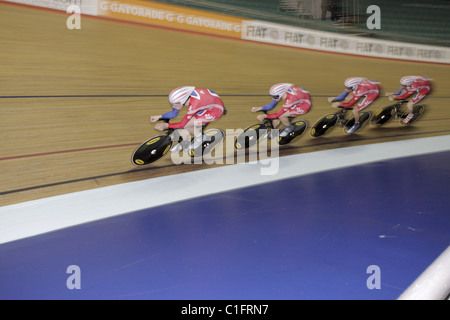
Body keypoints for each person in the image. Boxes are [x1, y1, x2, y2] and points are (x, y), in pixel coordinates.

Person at [150, 86, 225, 152]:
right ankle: (186, 142)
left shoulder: (194, 105)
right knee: (187, 124)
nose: (173, 106)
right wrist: (159, 116)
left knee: (186, 125)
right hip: (208, 103)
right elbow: (174, 113)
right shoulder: (185, 96)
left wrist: (166, 125)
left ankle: (200, 138)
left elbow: (182, 125)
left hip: (215, 111)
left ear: (183, 101)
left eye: (175, 103)